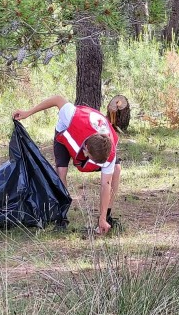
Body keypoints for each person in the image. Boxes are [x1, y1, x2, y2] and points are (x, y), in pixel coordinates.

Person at [12, 95, 121, 235]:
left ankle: (107, 218)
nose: (88, 159)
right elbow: (57, 99)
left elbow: (106, 185)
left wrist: (101, 217)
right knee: (61, 170)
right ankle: (61, 216)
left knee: (116, 170)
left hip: (89, 136)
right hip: (65, 132)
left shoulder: (108, 153)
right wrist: (28, 112)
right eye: (89, 156)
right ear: (86, 146)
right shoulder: (71, 115)